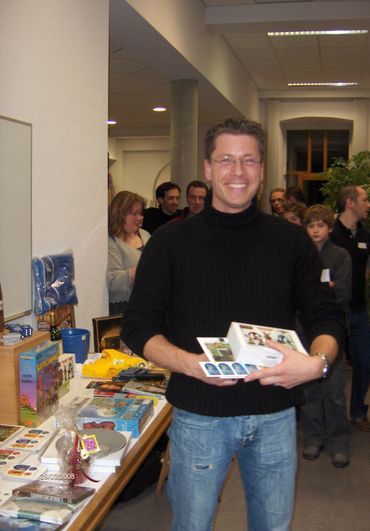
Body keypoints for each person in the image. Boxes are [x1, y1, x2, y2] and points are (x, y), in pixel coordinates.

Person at [121, 118, 344, 531]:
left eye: (248, 160)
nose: (237, 171)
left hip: (275, 414)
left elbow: (325, 315)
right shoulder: (170, 242)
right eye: (226, 160)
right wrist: (191, 365)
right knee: (192, 525)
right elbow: (137, 326)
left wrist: (317, 364)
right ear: (208, 168)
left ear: (262, 169)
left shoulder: (291, 241)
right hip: (199, 415)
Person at [301, 204, 352, 467]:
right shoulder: (301, 255)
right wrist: (325, 286)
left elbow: (343, 293)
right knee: (310, 390)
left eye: (320, 225)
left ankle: (339, 441)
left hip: (332, 330)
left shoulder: (340, 255)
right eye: (310, 226)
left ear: (330, 228)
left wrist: (324, 287)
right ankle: (313, 437)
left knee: (333, 390)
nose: (315, 230)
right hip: (304, 329)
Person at [331, 185, 370, 432]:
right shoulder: (330, 232)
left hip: (359, 309)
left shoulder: (366, 235)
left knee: (365, 363)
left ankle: (358, 413)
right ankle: (331, 420)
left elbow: (366, 271)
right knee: (332, 369)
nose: (369, 205)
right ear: (350, 202)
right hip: (335, 311)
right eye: (364, 200)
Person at [107, 191, 150, 315]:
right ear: (119, 214)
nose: (140, 218)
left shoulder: (145, 235)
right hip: (123, 308)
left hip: (148, 304)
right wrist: (139, 271)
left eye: (140, 213)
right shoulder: (111, 241)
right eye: (134, 214)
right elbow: (112, 281)